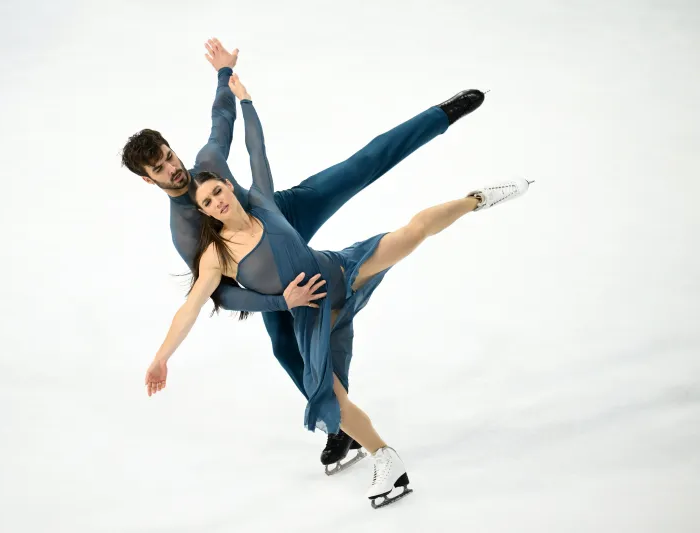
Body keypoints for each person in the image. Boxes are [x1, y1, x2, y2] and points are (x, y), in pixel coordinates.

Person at [142, 73, 532, 508]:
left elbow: (238, 135)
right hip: (286, 290)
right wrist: (166, 355)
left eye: (169, 157)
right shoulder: (201, 245)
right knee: (292, 356)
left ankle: (457, 152)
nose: (172, 168)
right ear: (152, 181)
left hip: (296, 232)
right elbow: (209, 300)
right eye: (160, 169)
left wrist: (232, 86)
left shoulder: (243, 187)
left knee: (375, 191)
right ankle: (352, 433)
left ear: (228, 185)